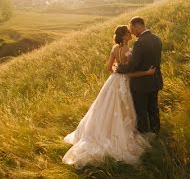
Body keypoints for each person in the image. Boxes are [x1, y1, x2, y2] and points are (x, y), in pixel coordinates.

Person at [62, 24, 156, 167]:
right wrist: (146, 73)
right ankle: (118, 134)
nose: (131, 35)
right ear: (124, 36)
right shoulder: (128, 51)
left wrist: (116, 73)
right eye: (128, 33)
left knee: (106, 106)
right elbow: (129, 73)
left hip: (113, 81)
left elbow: (108, 68)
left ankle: (104, 129)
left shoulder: (114, 48)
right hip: (124, 82)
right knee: (123, 107)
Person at [113, 17, 163, 135]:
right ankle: (156, 132)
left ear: (138, 26)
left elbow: (132, 66)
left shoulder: (140, 43)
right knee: (153, 108)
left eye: (132, 29)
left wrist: (119, 68)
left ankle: (145, 135)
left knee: (141, 111)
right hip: (155, 80)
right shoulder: (157, 39)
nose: (132, 32)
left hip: (141, 83)